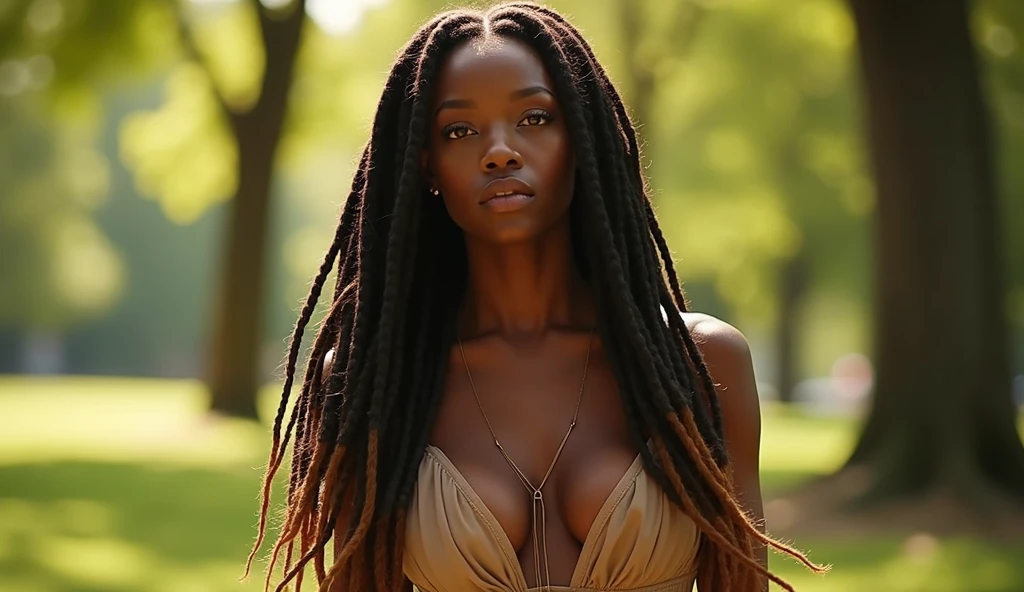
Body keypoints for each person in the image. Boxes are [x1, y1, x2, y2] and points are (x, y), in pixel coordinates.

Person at [246, 3, 823, 591]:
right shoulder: (373, 382)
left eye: (535, 118)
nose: (500, 151)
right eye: (460, 131)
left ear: (583, 142)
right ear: (428, 166)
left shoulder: (702, 365)